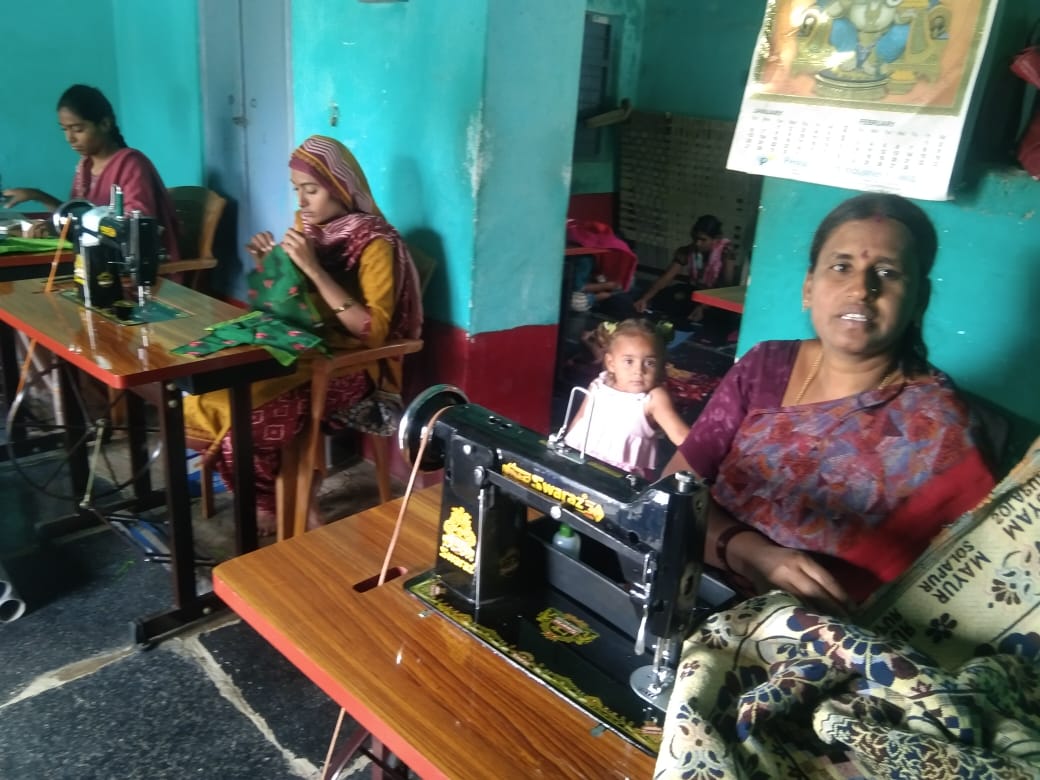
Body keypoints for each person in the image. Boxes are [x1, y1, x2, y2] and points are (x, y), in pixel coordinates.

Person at [663, 193, 995, 613]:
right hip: (688, 588)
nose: (861, 289)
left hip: (820, 634)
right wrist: (748, 552)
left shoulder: (942, 429)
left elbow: (956, 596)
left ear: (919, 300)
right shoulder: (765, 367)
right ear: (809, 288)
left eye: (887, 272)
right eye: (841, 267)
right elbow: (672, 490)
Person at [183, 135, 423, 535]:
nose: (301, 201)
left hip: (353, 364)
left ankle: (270, 501)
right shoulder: (309, 227)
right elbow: (293, 300)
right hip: (304, 345)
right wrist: (271, 262)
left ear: (340, 186)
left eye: (311, 190)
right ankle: (282, 495)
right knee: (212, 392)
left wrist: (313, 269)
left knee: (247, 424)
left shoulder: (376, 243)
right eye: (296, 190)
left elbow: (374, 332)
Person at [2, 84, 180, 260]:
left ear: (105, 124)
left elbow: (133, 229)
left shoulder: (131, 164)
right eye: (64, 129)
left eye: (78, 129)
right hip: (98, 261)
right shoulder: (85, 167)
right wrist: (39, 198)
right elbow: (77, 216)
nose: (70, 138)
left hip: (135, 267)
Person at [564, 319, 689, 479]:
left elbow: (683, 438)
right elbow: (579, 420)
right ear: (611, 363)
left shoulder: (653, 398)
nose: (638, 370)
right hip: (579, 464)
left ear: (660, 366)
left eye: (650, 363)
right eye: (629, 361)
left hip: (620, 481)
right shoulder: (599, 385)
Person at [633, 214, 737, 323]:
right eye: (695, 238)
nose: (697, 243)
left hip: (717, 296)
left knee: (722, 316)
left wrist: (703, 307)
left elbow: (725, 287)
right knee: (666, 296)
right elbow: (666, 278)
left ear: (716, 239)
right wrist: (645, 299)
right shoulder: (687, 251)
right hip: (697, 292)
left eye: (703, 240)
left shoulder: (726, 253)